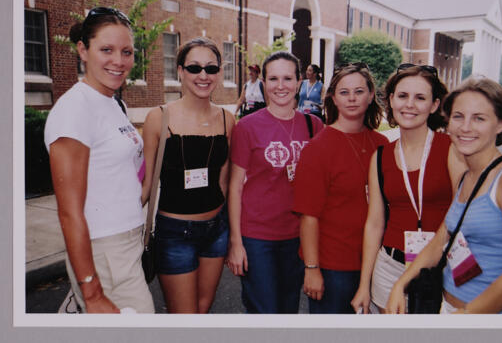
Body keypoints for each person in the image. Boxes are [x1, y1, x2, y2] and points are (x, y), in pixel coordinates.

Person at [44, 7, 154, 313]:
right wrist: (91, 291)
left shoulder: (111, 102)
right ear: (83, 49)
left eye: (127, 51)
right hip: (106, 249)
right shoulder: (75, 110)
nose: (119, 61)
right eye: (106, 49)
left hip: (126, 244)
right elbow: (69, 212)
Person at [386, 76, 502, 314]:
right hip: (449, 306)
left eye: (479, 118)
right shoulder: (466, 178)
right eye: (458, 117)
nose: (465, 127)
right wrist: (401, 284)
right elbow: (440, 242)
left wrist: (465, 318)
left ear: (501, 124)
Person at [351, 64, 467, 314]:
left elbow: (463, 214)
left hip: (444, 266)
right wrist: (364, 284)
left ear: (434, 105)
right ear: (391, 100)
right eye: (402, 96)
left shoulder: (452, 149)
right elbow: (374, 224)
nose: (409, 105)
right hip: (390, 266)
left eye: (420, 97)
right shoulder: (380, 157)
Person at [141, 37, 235, 313]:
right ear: (180, 71)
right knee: (184, 315)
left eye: (211, 68)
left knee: (203, 309)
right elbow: (146, 185)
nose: (203, 75)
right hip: (175, 233)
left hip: (216, 230)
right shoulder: (158, 118)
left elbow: (224, 181)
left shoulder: (228, 120)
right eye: (194, 68)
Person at [227, 51, 324, 313]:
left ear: (299, 82)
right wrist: (236, 243)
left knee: (288, 308)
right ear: (264, 83)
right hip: (258, 237)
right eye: (273, 78)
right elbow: (235, 187)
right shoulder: (247, 127)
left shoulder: (314, 126)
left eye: (287, 78)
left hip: (298, 236)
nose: (280, 86)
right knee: (264, 311)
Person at [292, 62, 389, 313]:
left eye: (359, 91)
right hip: (334, 266)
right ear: (333, 98)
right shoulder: (318, 148)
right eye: (344, 92)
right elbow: (308, 216)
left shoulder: (382, 144)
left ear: (370, 95)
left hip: (376, 262)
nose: (352, 98)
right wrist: (312, 269)